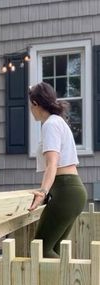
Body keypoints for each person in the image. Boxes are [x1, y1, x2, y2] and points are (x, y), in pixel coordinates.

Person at [28, 81, 87, 258]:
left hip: (66, 191)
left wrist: (43, 192)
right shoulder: (58, 122)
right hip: (72, 191)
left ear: (36, 104)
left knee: (40, 251)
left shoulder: (50, 125)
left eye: (30, 105)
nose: (30, 109)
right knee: (55, 251)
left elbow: (52, 163)